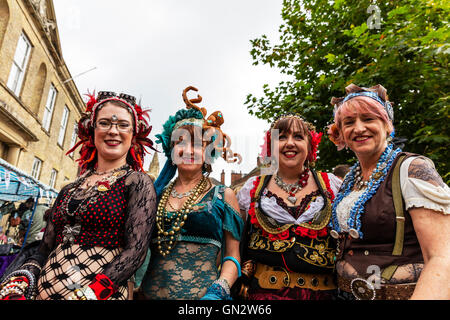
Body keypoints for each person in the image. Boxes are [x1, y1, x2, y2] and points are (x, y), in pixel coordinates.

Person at [0, 91, 157, 300]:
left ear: (134, 134)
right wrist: (21, 281)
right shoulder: (69, 189)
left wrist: (90, 295)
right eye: (104, 123)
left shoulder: (137, 183)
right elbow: (44, 248)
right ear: (91, 131)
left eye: (122, 125)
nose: (113, 131)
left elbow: (135, 252)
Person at [327, 83, 450, 300]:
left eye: (368, 119)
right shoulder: (349, 180)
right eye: (348, 122)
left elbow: (442, 257)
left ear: (387, 124)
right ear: (342, 134)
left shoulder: (412, 169)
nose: (358, 128)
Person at [138, 86, 244, 300]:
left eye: (197, 144)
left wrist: (220, 288)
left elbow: (233, 256)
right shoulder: (153, 194)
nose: (188, 150)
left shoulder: (224, 195)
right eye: (180, 142)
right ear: (171, 149)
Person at [235, 113, 342, 300]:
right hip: (262, 297)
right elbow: (235, 245)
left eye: (298, 137)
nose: (289, 143)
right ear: (271, 146)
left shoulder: (332, 185)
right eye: (281, 137)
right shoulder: (251, 188)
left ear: (310, 146)